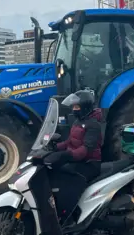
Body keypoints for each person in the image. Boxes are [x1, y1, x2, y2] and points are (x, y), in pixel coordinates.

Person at [39, 90, 103, 228]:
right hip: (78, 160)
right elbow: (70, 141)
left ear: (85, 107)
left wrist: (66, 155)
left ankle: (68, 217)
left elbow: (86, 149)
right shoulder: (78, 122)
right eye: (73, 107)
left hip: (90, 164)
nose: (74, 110)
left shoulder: (93, 125)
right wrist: (55, 147)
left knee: (69, 182)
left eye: (77, 107)